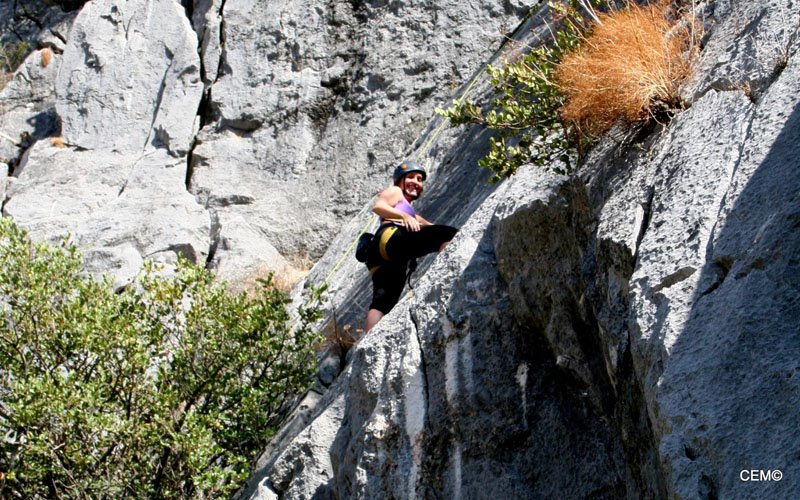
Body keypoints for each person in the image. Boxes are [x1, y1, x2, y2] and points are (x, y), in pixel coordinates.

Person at [364, 160, 458, 332]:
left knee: (382, 303)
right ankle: (449, 274)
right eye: (411, 177)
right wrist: (404, 217)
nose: (416, 182)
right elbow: (379, 207)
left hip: (382, 258)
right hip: (389, 238)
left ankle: (366, 344)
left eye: (420, 179)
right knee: (449, 234)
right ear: (400, 179)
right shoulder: (395, 192)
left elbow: (429, 227)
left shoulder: (410, 212)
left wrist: (411, 218)